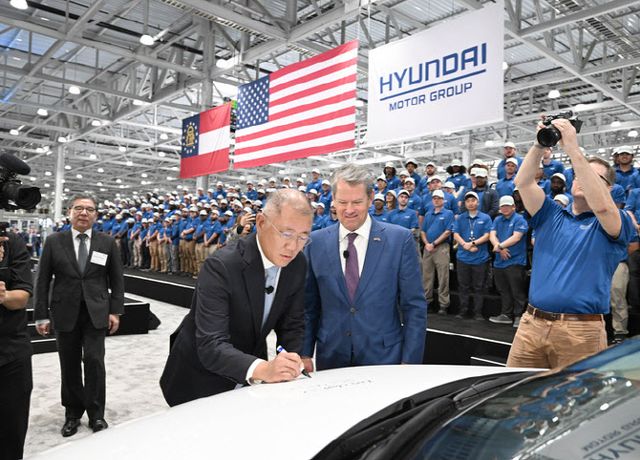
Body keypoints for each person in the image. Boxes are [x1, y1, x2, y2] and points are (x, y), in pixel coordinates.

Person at [160, 189, 313, 406]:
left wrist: (291, 360)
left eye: (303, 237)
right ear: (261, 222)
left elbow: (292, 323)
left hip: (250, 377)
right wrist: (264, 369)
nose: (294, 246)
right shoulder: (221, 266)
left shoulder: (297, 264)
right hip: (200, 379)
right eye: (286, 234)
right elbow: (211, 345)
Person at [507, 117, 635, 369]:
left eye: (594, 178)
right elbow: (523, 183)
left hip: (581, 331)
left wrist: (574, 150)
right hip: (532, 324)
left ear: (609, 189)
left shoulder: (618, 220)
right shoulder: (551, 213)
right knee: (514, 391)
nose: (583, 179)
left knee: (574, 396)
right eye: (579, 174)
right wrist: (539, 145)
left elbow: (601, 207)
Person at [302, 164, 427, 371]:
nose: (349, 210)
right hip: (331, 358)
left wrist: (410, 362)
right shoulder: (315, 243)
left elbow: (414, 307)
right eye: (342, 202)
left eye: (357, 202)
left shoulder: (399, 240)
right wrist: (304, 353)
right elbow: (309, 307)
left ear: (370, 199)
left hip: (385, 359)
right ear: (333, 200)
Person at [35, 194, 124, 437]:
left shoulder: (107, 242)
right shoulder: (54, 241)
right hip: (64, 311)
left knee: (94, 361)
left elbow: (117, 279)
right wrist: (41, 315)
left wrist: (115, 310)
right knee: (69, 364)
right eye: (78, 208)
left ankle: (96, 414)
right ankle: (72, 414)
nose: (84, 213)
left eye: (89, 209)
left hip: (96, 312)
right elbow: (42, 280)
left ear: (96, 215)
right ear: (69, 212)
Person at [0, 230, 34, 460]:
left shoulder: (12, 243)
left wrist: (4, 296)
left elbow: (21, 297)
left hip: (11, 349)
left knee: (12, 430)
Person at [488, 196, 529, 328]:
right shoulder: (497, 219)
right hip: (499, 261)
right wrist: (499, 247)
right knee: (503, 289)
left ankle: (518, 316)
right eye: (502, 206)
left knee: (517, 291)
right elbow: (492, 235)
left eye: (507, 206)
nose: (505, 208)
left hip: (515, 261)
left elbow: (516, 237)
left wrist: (499, 246)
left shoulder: (519, 219)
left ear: (513, 207)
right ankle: (506, 315)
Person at [453, 191, 492, 320]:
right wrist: (465, 244)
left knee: (478, 287)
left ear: (478, 202)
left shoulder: (485, 218)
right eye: (468, 201)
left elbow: (487, 235)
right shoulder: (460, 218)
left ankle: (478, 313)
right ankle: (463, 311)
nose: (470, 203)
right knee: (463, 286)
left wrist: (473, 243)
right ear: (465, 203)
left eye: (473, 200)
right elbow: (456, 234)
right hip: (463, 257)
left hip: (480, 258)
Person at [421, 190, 454, 314]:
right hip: (428, 248)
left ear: (443, 200)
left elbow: (447, 232)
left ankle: (443, 304)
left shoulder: (448, 213)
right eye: (434, 198)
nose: (436, 200)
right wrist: (427, 244)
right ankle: (427, 302)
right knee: (426, 277)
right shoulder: (428, 214)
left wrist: (433, 244)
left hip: (441, 247)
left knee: (443, 277)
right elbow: (423, 231)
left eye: (439, 198)